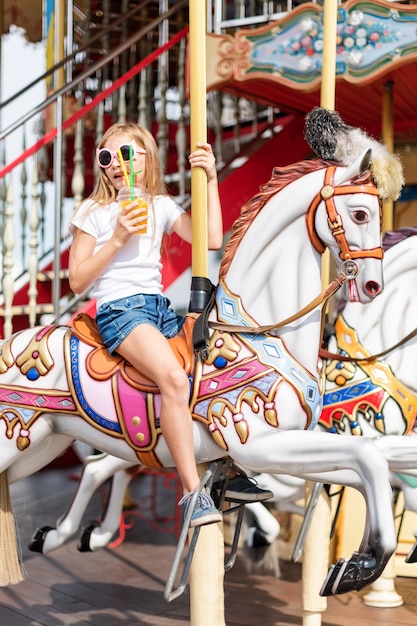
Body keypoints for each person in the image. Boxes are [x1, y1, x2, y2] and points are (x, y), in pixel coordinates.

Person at [69, 122, 272, 528]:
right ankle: (192, 493)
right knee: (176, 381)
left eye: (126, 155)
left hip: (159, 309)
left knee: (214, 373)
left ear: (146, 156)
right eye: (106, 158)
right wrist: (116, 239)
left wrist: (211, 178)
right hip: (120, 310)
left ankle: (226, 466)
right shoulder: (94, 211)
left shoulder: (160, 205)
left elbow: (210, 238)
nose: (115, 165)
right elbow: (76, 280)